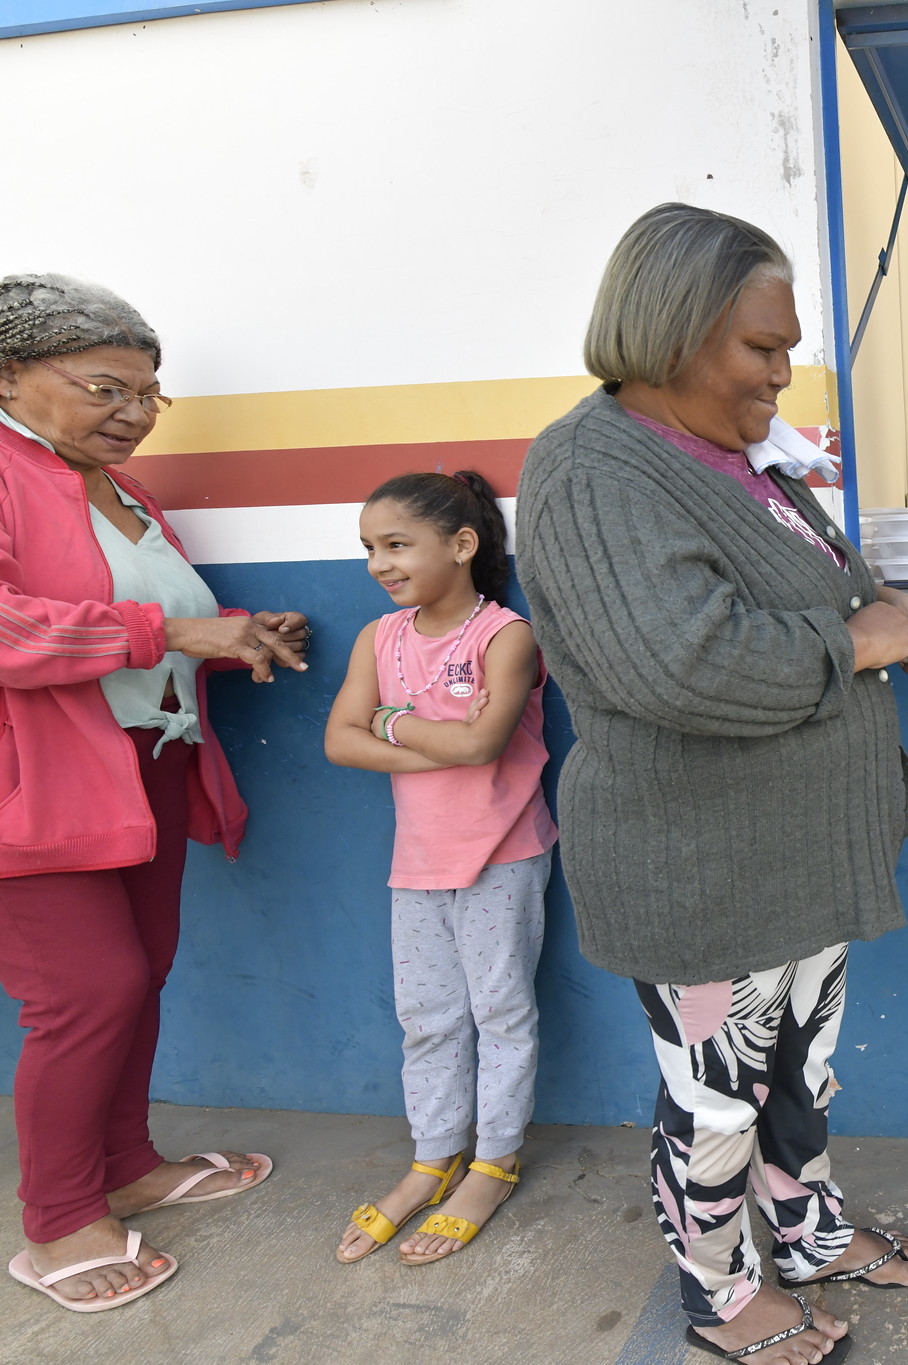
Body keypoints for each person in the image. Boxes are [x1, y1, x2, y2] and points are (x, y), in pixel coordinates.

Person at [518, 204, 908, 1365]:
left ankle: (804, 1237)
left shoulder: (735, 461)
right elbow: (681, 660)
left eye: (787, 343)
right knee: (715, 1101)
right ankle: (716, 1294)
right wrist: (856, 644)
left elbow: (829, 594)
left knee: (798, 1073)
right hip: (700, 873)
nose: (784, 368)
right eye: (762, 346)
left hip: (799, 860)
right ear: (672, 334)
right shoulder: (590, 468)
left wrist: (891, 615)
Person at [0, 274, 309, 1312]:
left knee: (142, 973)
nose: (131, 413)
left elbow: (149, 624)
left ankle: (125, 1164)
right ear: (10, 374)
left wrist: (237, 641)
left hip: (146, 763)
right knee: (84, 993)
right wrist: (174, 632)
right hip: (31, 782)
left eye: (147, 395)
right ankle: (55, 1223)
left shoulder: (122, 491)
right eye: (104, 388)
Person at [324, 471, 554, 1266]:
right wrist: (431, 738)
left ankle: (493, 1162)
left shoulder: (505, 635)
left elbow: (483, 745)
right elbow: (340, 740)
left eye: (395, 544)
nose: (378, 564)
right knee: (427, 1017)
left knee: (500, 1013)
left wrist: (391, 722)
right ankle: (433, 1158)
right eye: (369, 549)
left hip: (502, 855)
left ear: (462, 545)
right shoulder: (379, 639)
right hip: (417, 861)